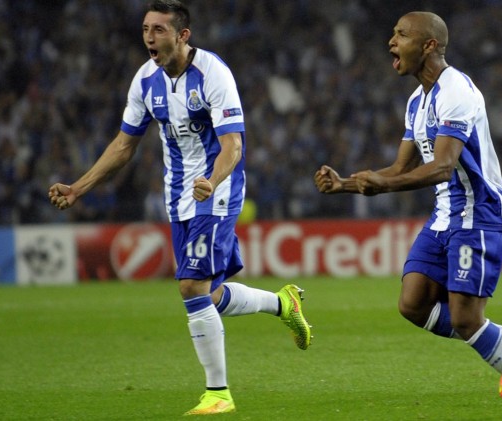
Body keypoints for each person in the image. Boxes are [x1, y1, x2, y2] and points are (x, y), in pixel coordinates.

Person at [48, 0, 312, 416]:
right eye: (145, 29)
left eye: (158, 29)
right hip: (178, 198)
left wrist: (213, 179)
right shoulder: (145, 79)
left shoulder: (213, 74)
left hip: (217, 191)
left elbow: (233, 145)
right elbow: (124, 145)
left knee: (190, 287)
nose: (149, 37)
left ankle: (218, 393)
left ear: (182, 35)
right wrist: (79, 188)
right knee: (211, 294)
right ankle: (283, 304)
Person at [314, 11, 502, 420]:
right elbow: (398, 169)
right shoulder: (417, 101)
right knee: (412, 304)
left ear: (429, 45)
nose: (391, 42)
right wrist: (344, 184)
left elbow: (442, 167)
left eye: (401, 35)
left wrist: (384, 186)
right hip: (444, 216)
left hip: (477, 215)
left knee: (467, 319)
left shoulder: (457, 92)